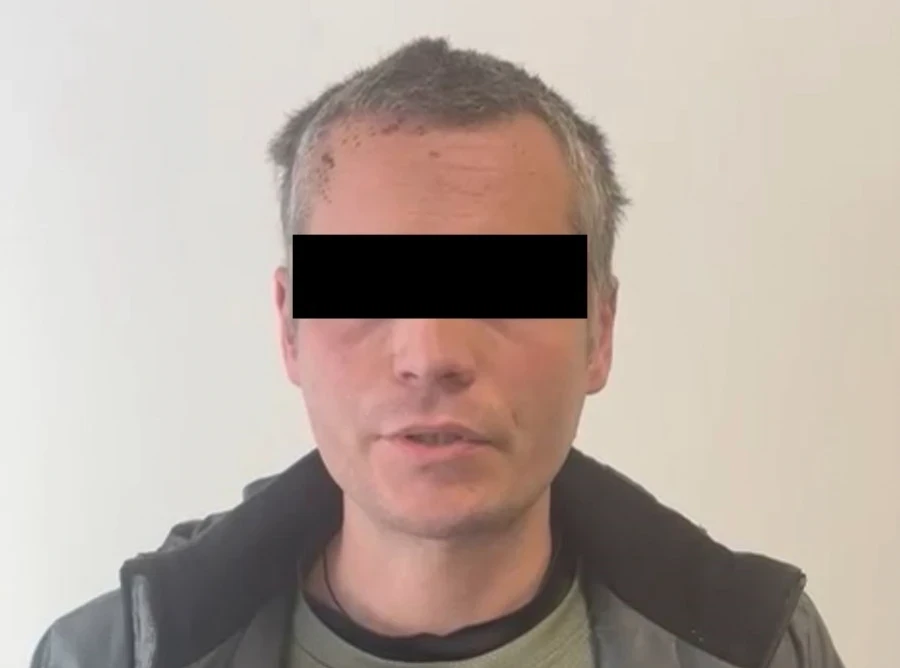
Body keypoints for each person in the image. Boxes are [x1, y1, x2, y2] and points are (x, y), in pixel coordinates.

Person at [30, 37, 845, 668]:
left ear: (599, 332)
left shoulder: (763, 649)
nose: (430, 354)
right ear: (289, 327)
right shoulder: (109, 656)